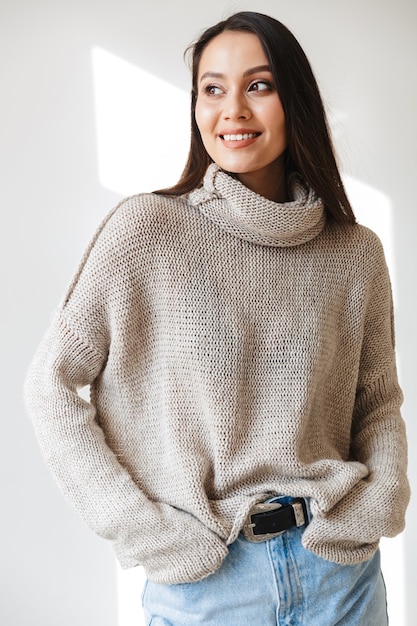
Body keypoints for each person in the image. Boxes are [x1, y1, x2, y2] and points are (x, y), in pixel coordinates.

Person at [24, 11, 409, 625]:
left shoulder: (354, 252)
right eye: (212, 89)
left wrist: (380, 502)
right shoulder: (148, 231)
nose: (232, 110)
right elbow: (51, 385)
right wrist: (145, 532)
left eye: (258, 85)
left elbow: (377, 401)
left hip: (339, 575)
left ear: (295, 99)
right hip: (209, 583)